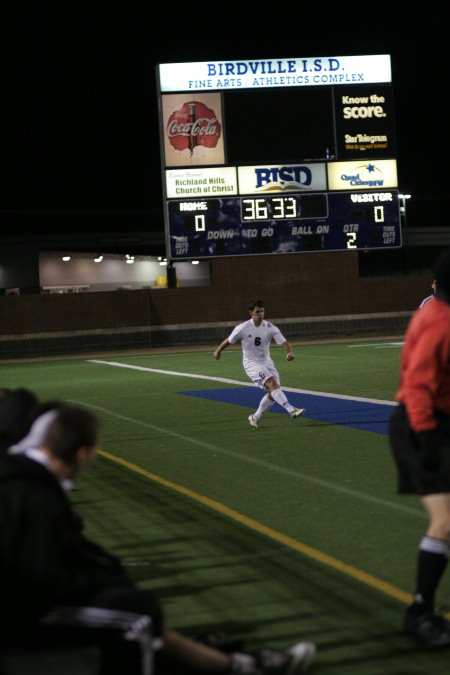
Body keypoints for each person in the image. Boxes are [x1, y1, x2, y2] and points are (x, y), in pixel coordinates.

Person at [0, 400, 316, 674]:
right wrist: (99, 583)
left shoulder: (33, 483)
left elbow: (64, 554)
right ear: (81, 454)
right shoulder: (32, 494)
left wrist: (107, 573)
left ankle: (234, 665)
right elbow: (36, 577)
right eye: (95, 451)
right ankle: (235, 665)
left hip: (29, 594)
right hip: (19, 609)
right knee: (137, 617)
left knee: (133, 605)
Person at [389, 247, 450, 647]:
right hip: (422, 426)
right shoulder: (439, 320)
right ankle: (420, 612)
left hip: (432, 424)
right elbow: (417, 387)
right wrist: (427, 441)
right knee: (445, 521)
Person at [214, 299, 305, 428]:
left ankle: (255, 417)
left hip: (267, 362)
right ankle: (291, 409)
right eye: (257, 311)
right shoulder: (243, 328)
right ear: (251, 312)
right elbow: (229, 340)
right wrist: (218, 350)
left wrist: (290, 352)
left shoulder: (269, 327)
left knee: (273, 392)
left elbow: (283, 341)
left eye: (262, 311)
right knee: (272, 384)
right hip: (251, 364)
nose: (260, 314)